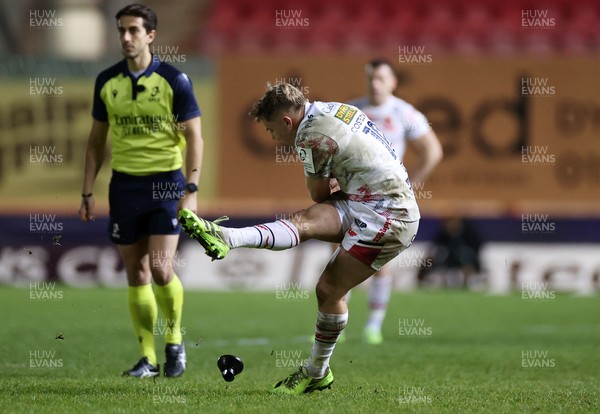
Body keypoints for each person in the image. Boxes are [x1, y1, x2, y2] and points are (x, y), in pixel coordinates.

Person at [178, 83, 420, 394]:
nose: (274, 138)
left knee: (328, 289)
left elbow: (319, 194)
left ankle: (316, 372)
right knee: (302, 222)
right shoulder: (333, 108)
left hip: (389, 217)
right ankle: (228, 237)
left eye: (271, 130)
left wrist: (329, 179)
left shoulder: (310, 136)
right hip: (368, 199)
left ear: (286, 122)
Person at [78, 3, 204, 378]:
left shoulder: (174, 80)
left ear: (151, 35)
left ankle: (175, 343)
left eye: (134, 30)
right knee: (136, 274)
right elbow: (96, 140)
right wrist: (87, 191)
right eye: (121, 30)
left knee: (162, 269)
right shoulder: (107, 81)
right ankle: (147, 359)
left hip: (166, 183)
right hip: (125, 186)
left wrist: (192, 188)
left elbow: (195, 136)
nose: (126, 37)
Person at [345, 58, 443, 345]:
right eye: (370, 78)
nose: (374, 83)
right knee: (340, 255)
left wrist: (411, 186)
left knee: (379, 262)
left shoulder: (404, 112)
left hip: (386, 199)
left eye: (380, 78)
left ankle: (373, 327)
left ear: (393, 82)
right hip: (352, 195)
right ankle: (336, 323)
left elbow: (433, 152)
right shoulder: (353, 111)